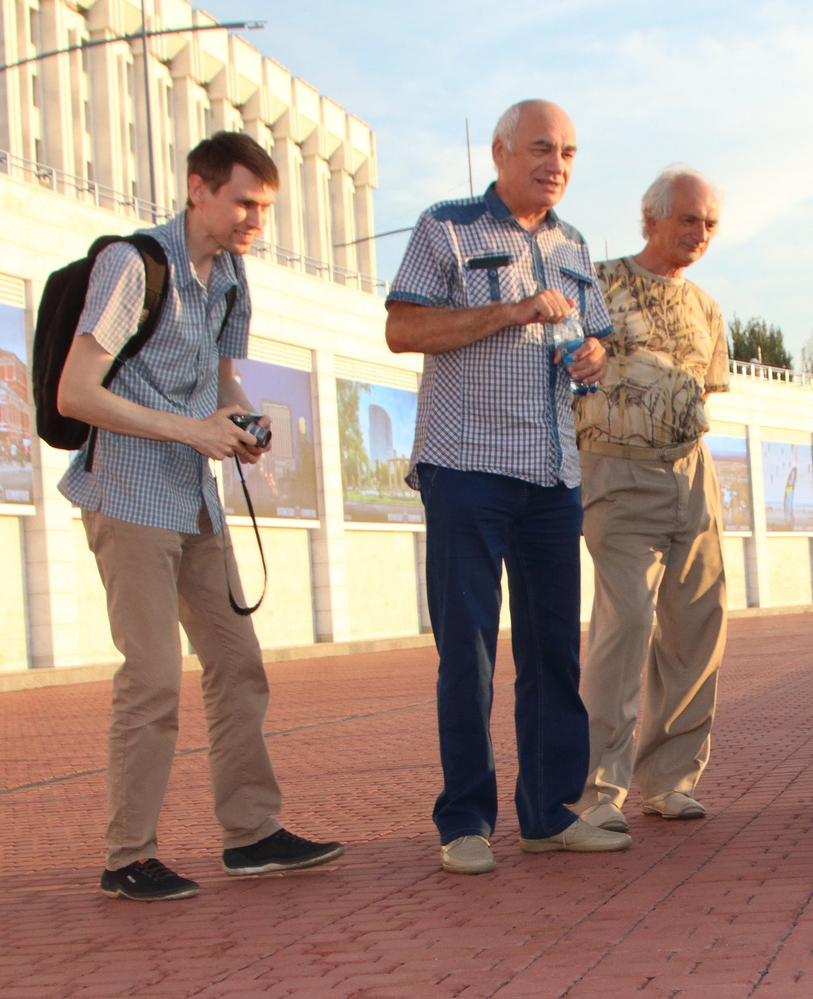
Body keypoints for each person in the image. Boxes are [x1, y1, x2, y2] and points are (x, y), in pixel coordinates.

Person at [56, 131, 344, 902]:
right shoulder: (134, 264)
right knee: (151, 679)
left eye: (266, 207)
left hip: (195, 497)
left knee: (237, 664)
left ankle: (251, 835)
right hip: (128, 496)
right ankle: (127, 856)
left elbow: (221, 382)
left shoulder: (232, 277)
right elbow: (75, 393)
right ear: (198, 189)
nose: (257, 219)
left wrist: (247, 423)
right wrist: (194, 430)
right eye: (245, 202)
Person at [387, 100, 626, 873]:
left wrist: (592, 355)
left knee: (555, 649)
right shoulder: (446, 228)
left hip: (554, 473)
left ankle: (548, 813)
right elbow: (404, 328)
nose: (555, 164)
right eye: (539, 148)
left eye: (567, 152)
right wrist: (512, 310)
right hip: (466, 469)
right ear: (498, 152)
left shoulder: (575, 242)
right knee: (469, 651)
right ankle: (464, 820)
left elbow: (594, 338)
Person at [574, 165, 732, 832]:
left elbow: (705, 389)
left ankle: (670, 780)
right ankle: (597, 790)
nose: (700, 232)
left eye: (710, 222)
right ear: (652, 219)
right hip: (616, 470)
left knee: (698, 626)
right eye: (689, 218)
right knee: (627, 623)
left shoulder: (706, 306)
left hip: (691, 474)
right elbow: (567, 363)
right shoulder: (598, 282)